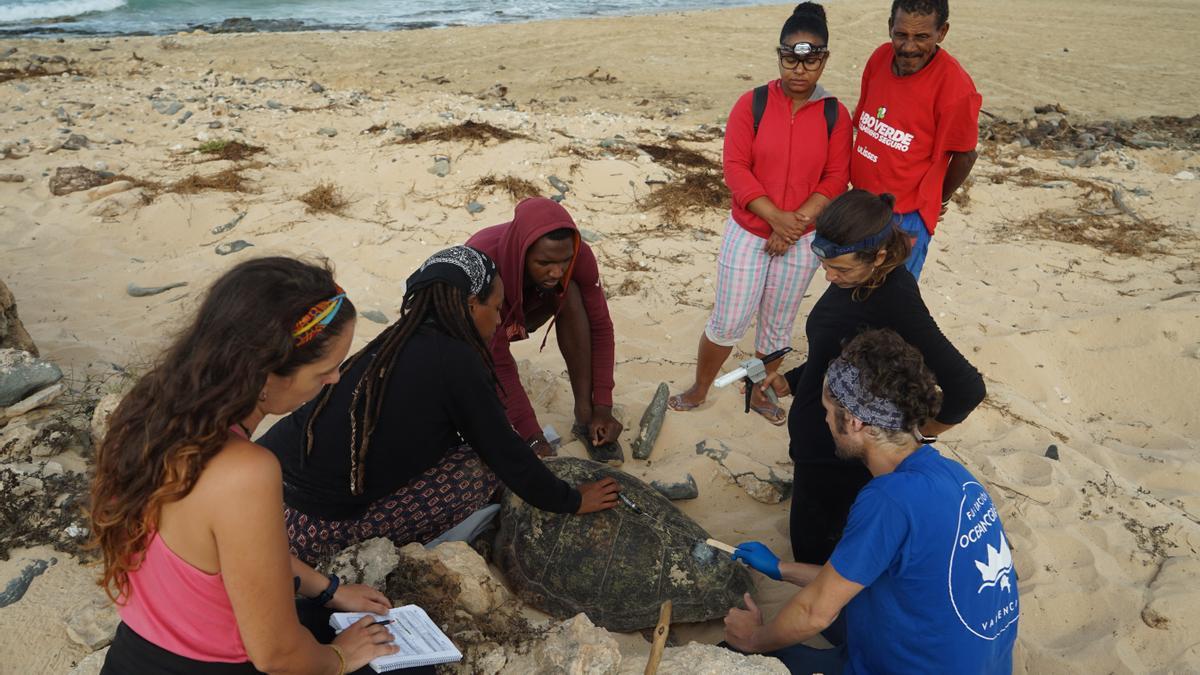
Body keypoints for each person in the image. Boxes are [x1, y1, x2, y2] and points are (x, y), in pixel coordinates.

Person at [91, 257, 403, 674]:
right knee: (399, 659)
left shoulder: (150, 415)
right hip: (211, 666)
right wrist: (343, 656)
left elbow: (237, 553)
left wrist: (328, 589)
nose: (333, 380)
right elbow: (277, 655)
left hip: (133, 655)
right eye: (324, 370)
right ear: (264, 375)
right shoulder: (245, 471)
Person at [261, 246, 620, 566]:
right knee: (478, 469)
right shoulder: (456, 362)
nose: (498, 321)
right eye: (495, 309)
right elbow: (506, 454)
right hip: (312, 532)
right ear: (469, 305)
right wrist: (571, 501)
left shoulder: (398, 338)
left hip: (265, 494)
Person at [724, 328, 1019, 674]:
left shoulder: (888, 501)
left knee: (734, 655)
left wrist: (753, 639)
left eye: (826, 410)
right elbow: (863, 575)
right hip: (976, 661)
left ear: (853, 420)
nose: (823, 420)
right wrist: (780, 569)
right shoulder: (955, 476)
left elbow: (816, 612)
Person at [764, 189, 985, 564]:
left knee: (820, 560)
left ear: (879, 255)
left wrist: (920, 434)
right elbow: (839, 352)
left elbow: (967, 387)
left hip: (839, 460)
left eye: (842, 268)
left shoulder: (895, 297)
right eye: (826, 264)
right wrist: (793, 380)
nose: (830, 276)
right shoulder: (855, 281)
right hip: (814, 448)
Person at [669, 1, 851, 425]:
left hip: (802, 238)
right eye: (790, 57)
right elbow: (735, 168)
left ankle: (760, 390)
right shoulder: (750, 105)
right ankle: (701, 386)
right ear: (779, 55)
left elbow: (835, 177)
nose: (799, 70)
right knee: (729, 320)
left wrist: (793, 226)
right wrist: (775, 219)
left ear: (823, 59)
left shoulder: (834, 115)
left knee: (776, 325)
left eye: (810, 59)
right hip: (749, 232)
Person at [466, 198, 621, 456]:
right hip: (479, 321)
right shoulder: (485, 263)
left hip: (528, 306)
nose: (556, 271)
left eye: (564, 261)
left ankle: (584, 415)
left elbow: (601, 327)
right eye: (545, 263)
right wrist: (534, 439)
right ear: (524, 251)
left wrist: (603, 405)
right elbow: (499, 361)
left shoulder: (576, 253)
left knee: (571, 290)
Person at [850, 0, 981, 279]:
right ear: (890, 28)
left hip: (905, 217)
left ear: (942, 32)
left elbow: (965, 155)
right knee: (850, 291)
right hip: (860, 204)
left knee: (889, 302)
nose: (909, 47)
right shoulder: (879, 59)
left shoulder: (955, 88)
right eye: (901, 35)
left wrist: (938, 198)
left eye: (921, 37)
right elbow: (863, 120)